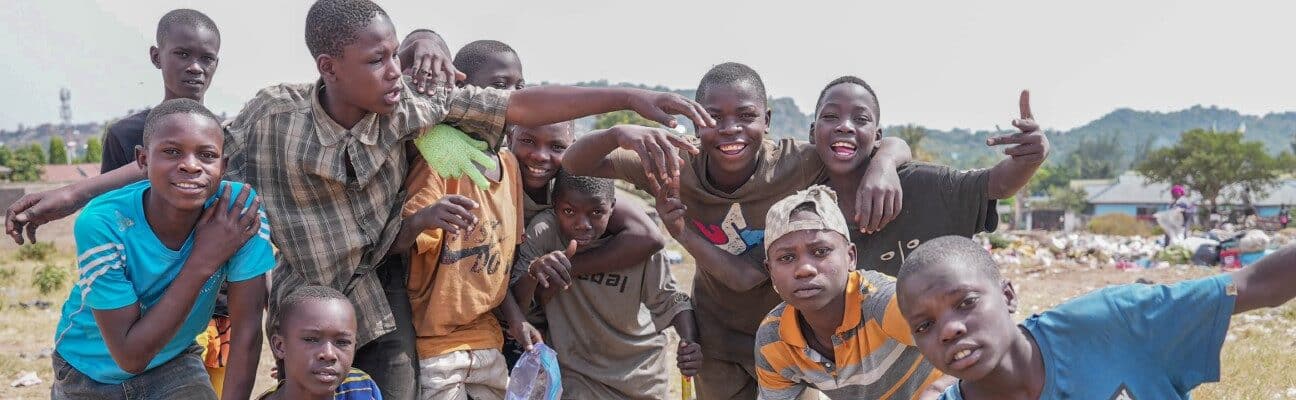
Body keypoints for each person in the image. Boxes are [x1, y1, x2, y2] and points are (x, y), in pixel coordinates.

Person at [7, 1, 714, 397]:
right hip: (291, 297)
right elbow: (181, 160)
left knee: (395, 394)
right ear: (329, 67)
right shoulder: (273, 116)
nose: (393, 72)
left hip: (373, 293)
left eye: (396, 54)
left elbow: (517, 102)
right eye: (376, 60)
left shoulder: (407, 112)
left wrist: (627, 95)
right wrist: (73, 193)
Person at [561, 62, 911, 398]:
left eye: (746, 116)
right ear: (695, 122)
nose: (730, 128)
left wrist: (883, 164)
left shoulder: (797, 165)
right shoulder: (672, 164)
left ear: (767, 120)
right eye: (714, 117)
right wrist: (616, 133)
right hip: (716, 340)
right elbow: (576, 163)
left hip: (788, 340)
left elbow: (889, 145)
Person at [447, 39, 668, 368]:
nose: (540, 156)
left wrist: (565, 269)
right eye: (528, 141)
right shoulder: (489, 180)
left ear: (573, 148)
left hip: (552, 330)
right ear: (510, 136)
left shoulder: (572, 185)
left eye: (557, 146)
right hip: (482, 321)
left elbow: (648, 236)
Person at [51, 99, 271, 400]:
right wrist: (204, 259)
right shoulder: (104, 222)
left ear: (223, 166)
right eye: (171, 152)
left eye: (207, 155)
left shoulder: (238, 211)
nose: (191, 165)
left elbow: (247, 331)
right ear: (143, 160)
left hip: (173, 361)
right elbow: (130, 357)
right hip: (89, 371)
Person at [895, 235, 1296, 399]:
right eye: (925, 326)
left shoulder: (1114, 320)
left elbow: (1256, 283)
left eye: (965, 302)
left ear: (1007, 294)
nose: (949, 329)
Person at [809, 76, 1048, 276]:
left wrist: (1030, 157)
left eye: (861, 119)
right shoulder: (803, 207)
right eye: (830, 116)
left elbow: (996, 184)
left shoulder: (921, 185)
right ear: (812, 133)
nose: (845, 126)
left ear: (877, 136)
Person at [742, 185, 946, 399]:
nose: (805, 269)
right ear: (771, 271)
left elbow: (977, 341)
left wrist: (940, 391)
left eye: (820, 252)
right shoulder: (774, 338)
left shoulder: (885, 302)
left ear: (851, 257)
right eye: (786, 258)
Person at [512, 171, 700, 399]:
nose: (582, 224)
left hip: (640, 377)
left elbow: (672, 299)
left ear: (612, 207)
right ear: (554, 205)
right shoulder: (546, 234)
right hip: (576, 376)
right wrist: (534, 271)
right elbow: (517, 304)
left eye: (596, 213)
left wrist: (690, 343)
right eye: (569, 211)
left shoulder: (640, 247)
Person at [100, 9, 222, 174]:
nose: (195, 67)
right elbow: (110, 199)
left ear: (216, 64)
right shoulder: (124, 135)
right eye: (183, 54)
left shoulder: (228, 134)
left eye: (207, 58)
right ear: (156, 57)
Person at [260, 285, 382, 400]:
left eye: (342, 342)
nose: (329, 354)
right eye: (311, 339)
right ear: (280, 346)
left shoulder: (361, 388)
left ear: (354, 349)